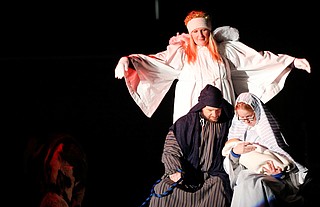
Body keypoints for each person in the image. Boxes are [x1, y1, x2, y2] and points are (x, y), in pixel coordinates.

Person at [114, 10, 311, 123]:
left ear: (209, 31)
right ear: (190, 34)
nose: (200, 36)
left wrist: (290, 61)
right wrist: (128, 60)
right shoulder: (183, 52)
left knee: (221, 139)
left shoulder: (225, 50)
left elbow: (256, 59)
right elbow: (158, 60)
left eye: (204, 31)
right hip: (192, 102)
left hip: (222, 100)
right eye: (196, 32)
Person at [132, 84, 234, 207]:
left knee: (218, 189)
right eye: (210, 110)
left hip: (213, 175)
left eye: (218, 110)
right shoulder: (185, 123)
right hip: (187, 174)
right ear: (202, 107)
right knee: (162, 187)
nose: (215, 114)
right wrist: (175, 171)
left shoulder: (229, 123)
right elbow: (171, 149)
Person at [222, 92, 308, 207]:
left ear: (257, 112)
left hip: (273, 176)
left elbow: (289, 162)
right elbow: (229, 165)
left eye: (250, 117)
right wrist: (235, 153)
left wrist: (278, 174)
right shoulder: (239, 133)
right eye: (242, 119)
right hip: (246, 173)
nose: (247, 122)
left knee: (258, 183)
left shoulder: (270, 132)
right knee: (246, 181)